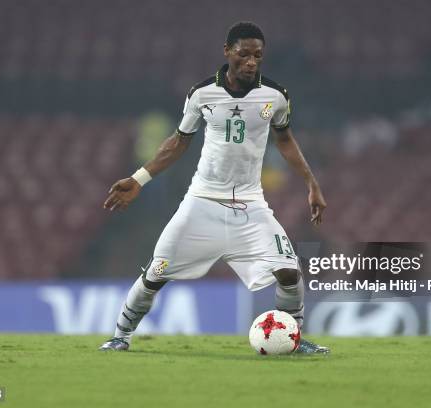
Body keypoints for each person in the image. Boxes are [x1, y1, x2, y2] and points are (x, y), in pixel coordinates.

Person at [99, 22, 328, 353]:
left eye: (258, 56)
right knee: (155, 273)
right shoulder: (202, 93)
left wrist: (311, 183)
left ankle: (292, 338)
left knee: (289, 271)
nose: (251, 62)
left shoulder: (275, 96)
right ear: (227, 51)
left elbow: (285, 140)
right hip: (201, 202)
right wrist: (139, 178)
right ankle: (120, 335)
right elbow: (178, 142)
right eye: (244, 54)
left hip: (251, 205)